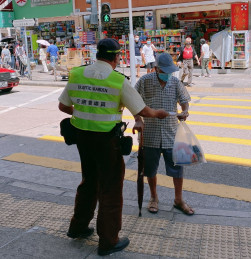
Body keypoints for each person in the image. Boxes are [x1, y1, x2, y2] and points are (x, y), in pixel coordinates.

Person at [58, 38, 169, 256]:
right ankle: (108, 241)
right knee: (110, 189)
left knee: (89, 182)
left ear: (97, 54)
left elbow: (63, 106)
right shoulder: (117, 80)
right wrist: (158, 113)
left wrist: (85, 114)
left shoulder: (77, 74)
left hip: (83, 138)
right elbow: (142, 110)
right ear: (116, 57)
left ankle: (78, 227)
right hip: (107, 142)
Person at [134, 52, 195, 216]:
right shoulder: (144, 81)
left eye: (169, 71)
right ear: (156, 69)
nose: (167, 75)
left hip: (171, 134)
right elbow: (134, 102)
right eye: (164, 71)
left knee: (177, 169)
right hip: (150, 134)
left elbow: (184, 100)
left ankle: (178, 199)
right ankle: (154, 197)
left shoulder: (175, 82)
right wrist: (138, 119)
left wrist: (185, 111)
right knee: (150, 170)